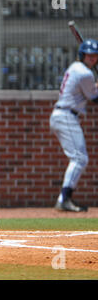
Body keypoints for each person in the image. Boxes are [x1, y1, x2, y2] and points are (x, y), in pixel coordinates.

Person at [50, 38, 98, 212]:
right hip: (66, 116)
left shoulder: (76, 68)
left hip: (64, 115)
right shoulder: (85, 73)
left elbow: (90, 90)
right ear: (82, 55)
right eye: (88, 55)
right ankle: (64, 199)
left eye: (94, 56)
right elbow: (94, 98)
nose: (92, 58)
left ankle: (65, 198)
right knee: (79, 158)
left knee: (79, 158)